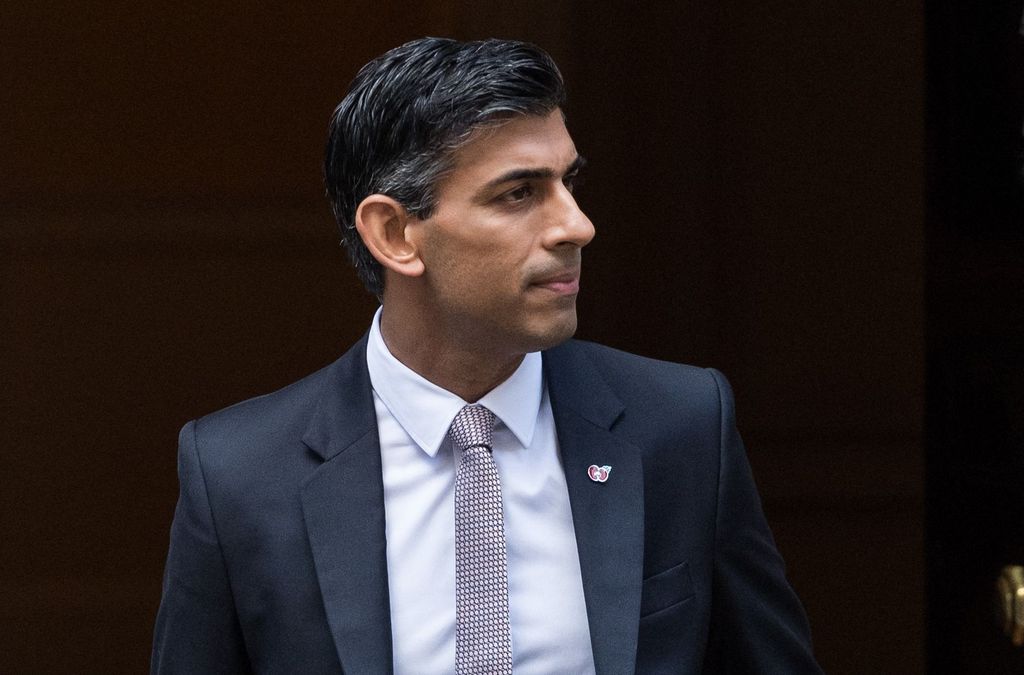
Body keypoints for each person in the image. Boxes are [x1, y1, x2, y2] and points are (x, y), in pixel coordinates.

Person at [151, 37, 822, 674]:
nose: (576, 225)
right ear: (395, 233)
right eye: (519, 193)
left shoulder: (680, 426)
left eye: (568, 182)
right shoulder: (239, 473)